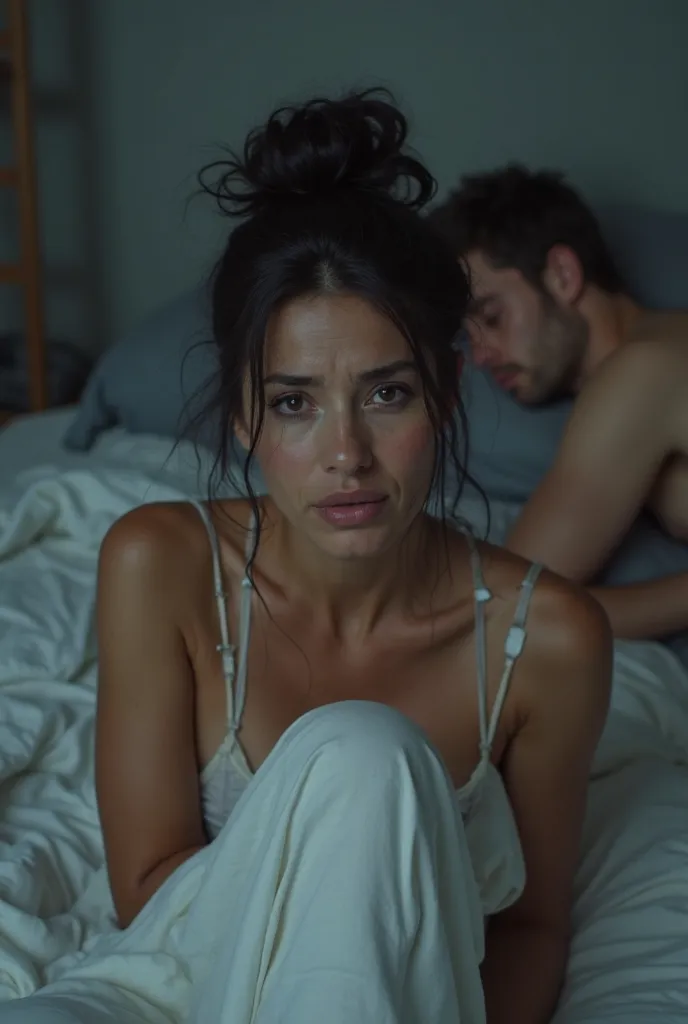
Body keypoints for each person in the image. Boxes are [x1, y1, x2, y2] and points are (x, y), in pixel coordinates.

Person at [1, 95, 611, 1024]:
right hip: (172, 980)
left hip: (404, 999)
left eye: (386, 394)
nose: (344, 454)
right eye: (294, 403)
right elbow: (148, 892)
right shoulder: (159, 564)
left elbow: (531, 929)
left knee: (368, 751)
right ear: (244, 414)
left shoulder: (550, 640)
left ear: (446, 394)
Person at [429, 165, 688, 641]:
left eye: (492, 315)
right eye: (468, 334)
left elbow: (511, 603)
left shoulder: (643, 371)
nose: (481, 354)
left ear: (563, 275)